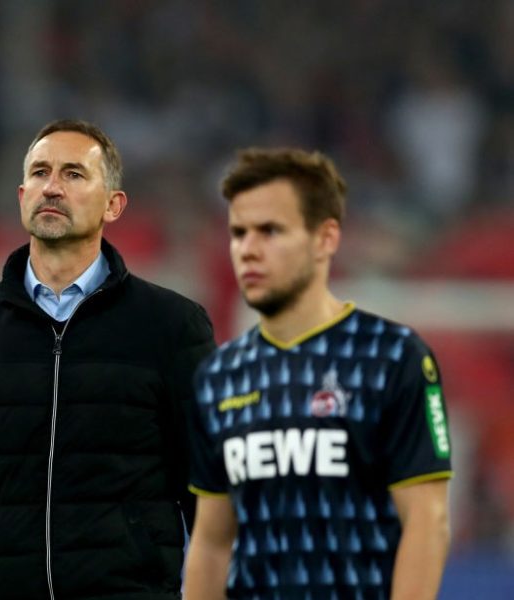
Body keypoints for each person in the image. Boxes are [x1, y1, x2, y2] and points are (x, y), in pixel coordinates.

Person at [0, 119, 216, 600]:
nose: (51, 187)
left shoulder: (172, 327)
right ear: (21, 194)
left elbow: (208, 493)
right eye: (40, 172)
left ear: (114, 205)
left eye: (74, 174)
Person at [183, 148, 452, 599]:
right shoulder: (219, 376)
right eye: (238, 232)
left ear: (326, 238)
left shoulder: (391, 356)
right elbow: (212, 542)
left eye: (270, 231)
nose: (248, 249)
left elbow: (428, 521)